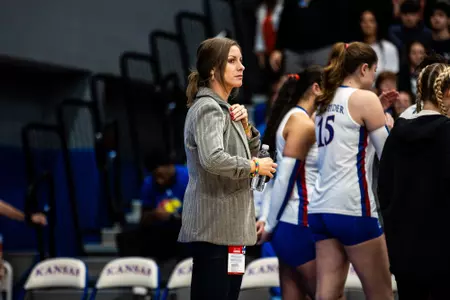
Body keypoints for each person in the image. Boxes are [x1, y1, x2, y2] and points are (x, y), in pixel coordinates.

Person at [178, 37, 278, 300]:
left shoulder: (226, 110)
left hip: (231, 227)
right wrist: (255, 166)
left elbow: (252, 151)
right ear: (213, 69)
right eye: (232, 61)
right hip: (214, 226)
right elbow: (213, 159)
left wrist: (246, 128)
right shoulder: (208, 108)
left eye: (242, 60)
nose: (241, 66)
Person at [308, 41, 394, 299]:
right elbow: (388, 155)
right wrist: (387, 123)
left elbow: (347, 133)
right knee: (381, 295)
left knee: (327, 296)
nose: (374, 78)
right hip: (353, 208)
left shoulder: (323, 100)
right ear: (364, 69)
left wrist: (375, 109)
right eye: (374, 72)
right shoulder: (366, 99)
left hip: (321, 209)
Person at [378, 64, 450, 299]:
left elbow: (384, 190)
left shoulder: (396, 134)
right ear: (447, 93)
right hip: (442, 253)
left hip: (404, 253)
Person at [257, 67, 324, 300]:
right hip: (298, 223)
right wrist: (269, 225)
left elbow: (273, 179)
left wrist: (267, 219)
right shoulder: (301, 124)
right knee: (329, 296)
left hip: (288, 225)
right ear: (316, 89)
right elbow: (283, 179)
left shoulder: (290, 118)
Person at [115, 154, 188, 262]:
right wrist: (154, 214)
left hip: (184, 227)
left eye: (160, 175)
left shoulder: (188, 177)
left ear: (170, 167)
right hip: (160, 228)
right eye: (155, 176)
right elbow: (143, 219)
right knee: (126, 237)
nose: (158, 180)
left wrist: (174, 216)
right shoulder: (149, 183)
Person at [360, 10, 399, 75]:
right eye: (364, 21)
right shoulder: (353, 49)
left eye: (371, 21)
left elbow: (391, 76)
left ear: (377, 24)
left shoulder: (389, 48)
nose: (367, 24)